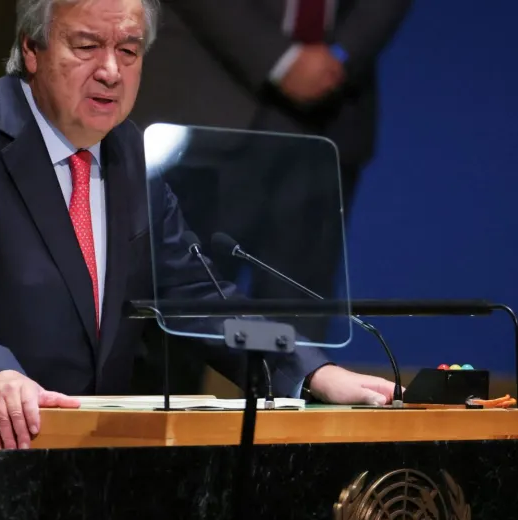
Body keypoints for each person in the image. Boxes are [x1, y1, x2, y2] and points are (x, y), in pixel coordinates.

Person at [0, 0, 397, 450]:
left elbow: (198, 298)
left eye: (128, 50)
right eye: (86, 46)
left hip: (68, 464)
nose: (110, 70)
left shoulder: (129, 154)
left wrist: (310, 371)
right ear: (31, 49)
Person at [131, 0, 413, 342]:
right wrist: (281, 59)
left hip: (329, 116)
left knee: (299, 323)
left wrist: (339, 56)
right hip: (207, 96)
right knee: (180, 309)